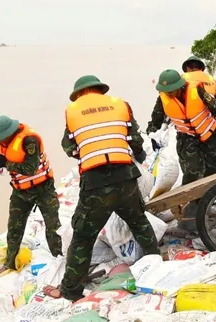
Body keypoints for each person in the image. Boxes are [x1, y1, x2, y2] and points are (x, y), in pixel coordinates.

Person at [49, 75, 158, 300]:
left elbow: (68, 147)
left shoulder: (73, 111)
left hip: (96, 184)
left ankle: (70, 290)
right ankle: (157, 270)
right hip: (126, 178)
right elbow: (136, 141)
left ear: (79, 94)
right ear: (101, 91)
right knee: (139, 223)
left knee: (83, 238)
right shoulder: (120, 105)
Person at [0, 116, 63, 270]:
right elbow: (1, 159)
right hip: (20, 191)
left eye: (2, 138)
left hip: (43, 189)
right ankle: (10, 262)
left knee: (53, 226)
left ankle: (59, 260)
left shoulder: (29, 141)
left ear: (10, 133)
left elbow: (30, 169)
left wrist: (7, 164)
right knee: (14, 227)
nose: (1, 141)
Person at [148, 69, 216, 185]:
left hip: (208, 135)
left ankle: (212, 200)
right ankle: (194, 202)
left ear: (179, 86)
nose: (169, 94)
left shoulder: (198, 90)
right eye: (166, 91)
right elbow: (155, 121)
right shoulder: (163, 99)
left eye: (171, 91)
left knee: (213, 171)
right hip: (186, 138)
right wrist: (153, 136)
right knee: (192, 173)